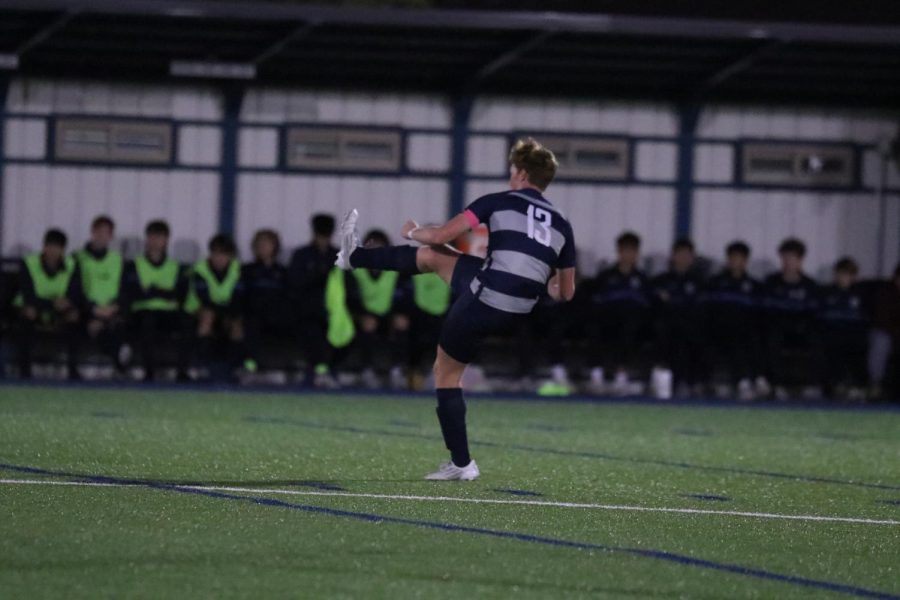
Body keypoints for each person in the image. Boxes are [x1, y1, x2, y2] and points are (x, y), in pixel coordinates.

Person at [335, 138, 577, 481]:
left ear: (522, 173)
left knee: (446, 372)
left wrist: (414, 231)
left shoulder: (498, 201)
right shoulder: (562, 223)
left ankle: (462, 464)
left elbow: (441, 234)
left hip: (487, 298)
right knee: (437, 259)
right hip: (521, 308)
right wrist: (545, 284)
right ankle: (354, 257)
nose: (510, 176)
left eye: (512, 171)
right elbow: (565, 292)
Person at [583, 231, 651, 395]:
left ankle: (621, 377)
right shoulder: (606, 277)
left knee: (630, 328)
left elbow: (648, 306)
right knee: (594, 328)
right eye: (625, 250)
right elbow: (595, 302)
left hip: (632, 324)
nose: (628, 255)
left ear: (637, 254)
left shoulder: (642, 279)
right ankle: (596, 377)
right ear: (619, 252)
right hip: (607, 322)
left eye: (632, 251)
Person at [121, 220, 190, 381]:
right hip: (143, 312)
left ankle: (182, 372)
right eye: (152, 237)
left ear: (166, 240)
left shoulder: (176, 266)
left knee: (187, 323)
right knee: (147, 322)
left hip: (168, 313)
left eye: (159, 237)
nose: (155, 242)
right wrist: (164, 292)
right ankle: (149, 372)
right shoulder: (134, 265)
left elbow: (180, 294)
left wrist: (152, 290)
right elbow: (133, 293)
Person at [701, 241, 764, 400]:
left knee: (751, 337)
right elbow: (707, 311)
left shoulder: (754, 286)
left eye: (740, 258)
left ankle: (757, 380)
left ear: (745, 261)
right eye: (733, 257)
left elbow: (758, 314)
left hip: (745, 331)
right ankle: (742, 382)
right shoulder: (715, 283)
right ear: (728, 259)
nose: (736, 261)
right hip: (719, 331)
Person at [14, 229, 79, 379]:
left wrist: (67, 303)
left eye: (57, 247)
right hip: (34, 306)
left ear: (63, 250)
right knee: (28, 315)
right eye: (50, 246)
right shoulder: (29, 263)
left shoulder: (72, 264)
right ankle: (25, 371)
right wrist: (51, 303)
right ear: (44, 247)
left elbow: (76, 293)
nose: (53, 251)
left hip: (59, 310)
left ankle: (73, 371)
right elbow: (27, 294)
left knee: (74, 317)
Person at [352, 229, 412, 389]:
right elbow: (351, 299)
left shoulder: (396, 271)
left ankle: (397, 370)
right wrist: (361, 315)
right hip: (363, 317)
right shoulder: (356, 271)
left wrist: (397, 315)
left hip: (388, 316)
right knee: (368, 324)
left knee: (402, 323)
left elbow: (403, 298)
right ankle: (367, 370)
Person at [761, 238, 819, 398]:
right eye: (785, 258)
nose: (788, 262)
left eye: (792, 258)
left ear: (800, 260)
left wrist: (800, 325)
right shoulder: (772, 282)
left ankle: (813, 385)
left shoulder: (809, 285)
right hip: (778, 328)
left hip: (801, 331)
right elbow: (767, 311)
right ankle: (777, 385)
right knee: (771, 337)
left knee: (817, 338)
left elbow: (812, 314)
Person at [69, 215, 126, 375]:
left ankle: (120, 367)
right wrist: (93, 309)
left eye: (106, 233)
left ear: (111, 236)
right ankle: (119, 361)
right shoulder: (77, 258)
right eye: (99, 232)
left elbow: (123, 290)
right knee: (78, 322)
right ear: (92, 232)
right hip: (86, 311)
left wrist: (113, 307)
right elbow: (74, 290)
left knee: (118, 325)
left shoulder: (117, 259)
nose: (102, 236)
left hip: (112, 310)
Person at [288, 214, 341, 387]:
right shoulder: (302, 255)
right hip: (307, 310)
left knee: (344, 331)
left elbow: (348, 286)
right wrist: (319, 275)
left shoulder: (338, 256)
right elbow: (295, 284)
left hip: (335, 311)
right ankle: (318, 370)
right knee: (312, 328)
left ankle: (328, 369)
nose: (323, 239)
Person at [184, 234, 246, 380]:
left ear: (230, 255)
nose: (219, 258)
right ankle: (200, 366)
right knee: (207, 317)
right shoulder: (200, 269)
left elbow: (238, 298)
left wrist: (228, 316)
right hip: (197, 310)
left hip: (225, 311)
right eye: (215, 253)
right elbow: (204, 299)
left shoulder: (237, 270)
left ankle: (235, 368)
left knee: (237, 324)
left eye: (223, 254)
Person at [651, 238, 705, 397]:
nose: (682, 258)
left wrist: (672, 301)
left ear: (692, 257)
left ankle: (688, 382)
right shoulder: (661, 280)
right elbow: (656, 304)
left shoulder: (699, 282)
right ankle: (663, 381)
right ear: (673, 256)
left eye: (686, 254)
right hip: (667, 325)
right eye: (679, 254)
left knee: (690, 335)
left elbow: (698, 308)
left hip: (690, 326)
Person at [814, 257, 868, 399]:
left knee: (857, 345)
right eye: (841, 273)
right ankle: (834, 385)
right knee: (830, 346)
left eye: (848, 274)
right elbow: (819, 317)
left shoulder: (861, 294)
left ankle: (859, 385)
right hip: (830, 334)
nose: (844, 278)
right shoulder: (825, 292)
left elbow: (864, 320)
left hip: (853, 335)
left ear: (854, 277)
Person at [242, 229, 292, 374]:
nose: (263, 247)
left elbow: (288, 296)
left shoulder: (282, 272)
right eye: (260, 243)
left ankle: (285, 369)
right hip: (254, 316)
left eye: (267, 243)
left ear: (275, 246)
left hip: (277, 316)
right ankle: (249, 366)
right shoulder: (247, 270)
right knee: (250, 324)